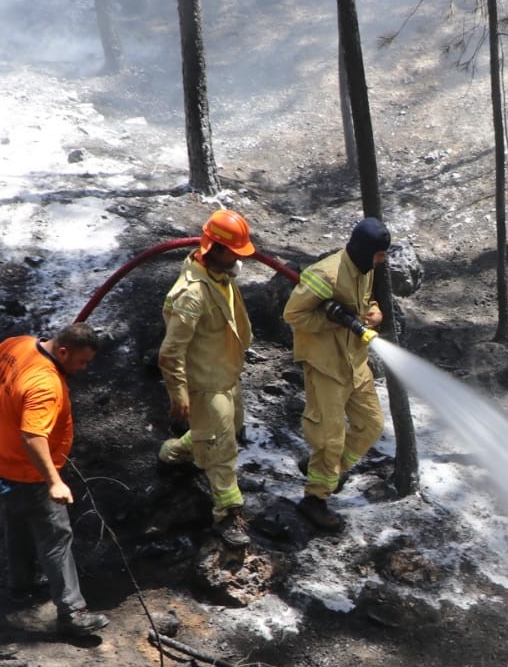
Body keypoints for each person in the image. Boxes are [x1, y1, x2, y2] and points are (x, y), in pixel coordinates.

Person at [0, 322, 109, 635]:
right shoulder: (45, 385)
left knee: (18, 523)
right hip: (28, 473)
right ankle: (73, 613)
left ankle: (20, 588)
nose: (84, 368)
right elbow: (33, 437)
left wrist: (9, 402)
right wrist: (53, 481)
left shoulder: (18, 344)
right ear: (63, 351)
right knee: (56, 536)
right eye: (81, 361)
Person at [282, 216, 389, 531]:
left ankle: (325, 470)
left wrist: (375, 313)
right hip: (326, 366)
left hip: (355, 363)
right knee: (330, 438)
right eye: (379, 254)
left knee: (371, 424)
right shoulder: (325, 274)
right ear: (365, 250)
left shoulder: (363, 270)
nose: (383, 260)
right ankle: (314, 500)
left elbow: (366, 302)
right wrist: (334, 319)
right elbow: (294, 314)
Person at [157, 208, 256, 547]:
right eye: (234, 252)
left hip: (227, 374)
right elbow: (171, 352)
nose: (238, 260)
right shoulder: (192, 294)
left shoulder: (220, 276)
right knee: (223, 447)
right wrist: (179, 394)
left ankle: (177, 452)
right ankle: (227, 513)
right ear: (213, 247)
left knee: (225, 429)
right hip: (205, 382)